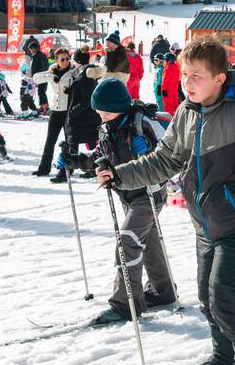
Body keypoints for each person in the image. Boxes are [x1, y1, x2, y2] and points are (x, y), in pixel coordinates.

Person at [100, 37, 235, 365]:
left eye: (197, 76)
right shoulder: (187, 113)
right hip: (205, 223)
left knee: (226, 295)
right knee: (206, 296)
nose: (187, 83)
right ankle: (224, 358)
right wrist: (120, 174)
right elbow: (163, 160)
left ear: (220, 78)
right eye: (185, 74)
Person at [67, 78, 175, 323]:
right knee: (147, 241)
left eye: (102, 110)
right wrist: (77, 160)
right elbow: (101, 157)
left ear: (117, 106)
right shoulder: (108, 126)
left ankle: (125, 306)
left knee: (127, 241)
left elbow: (167, 158)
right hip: (127, 194)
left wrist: (146, 151)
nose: (99, 114)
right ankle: (163, 292)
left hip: (149, 194)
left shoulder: (142, 124)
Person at [49, 47, 105, 183]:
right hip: (89, 117)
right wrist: (70, 90)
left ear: (78, 62)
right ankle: (93, 169)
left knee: (71, 144)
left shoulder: (83, 76)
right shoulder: (88, 73)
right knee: (91, 144)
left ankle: (65, 172)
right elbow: (82, 91)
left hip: (81, 117)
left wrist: (73, 111)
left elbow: (86, 98)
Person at [31, 47, 74, 177]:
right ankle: (44, 168)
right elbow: (36, 78)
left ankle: (67, 169)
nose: (65, 61)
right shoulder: (53, 70)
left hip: (68, 111)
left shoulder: (73, 71)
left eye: (67, 59)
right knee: (50, 141)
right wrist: (51, 76)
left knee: (70, 141)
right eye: (62, 59)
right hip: (55, 111)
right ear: (57, 60)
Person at [23, 36, 51, 112]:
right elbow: (47, 66)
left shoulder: (36, 57)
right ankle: (44, 107)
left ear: (34, 48)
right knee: (42, 92)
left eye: (30, 49)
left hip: (40, 77)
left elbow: (36, 68)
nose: (30, 51)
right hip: (45, 76)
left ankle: (44, 109)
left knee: (41, 92)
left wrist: (35, 77)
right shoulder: (44, 55)